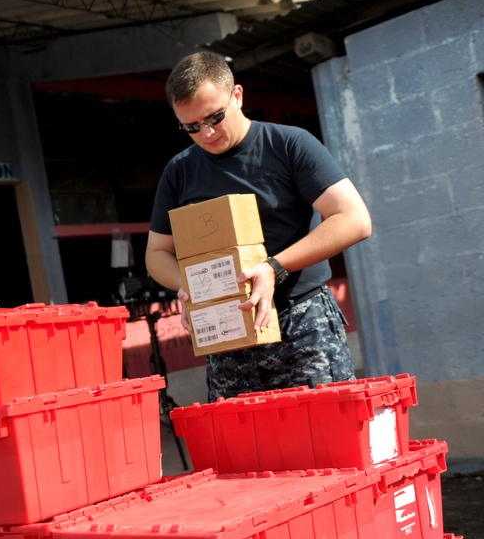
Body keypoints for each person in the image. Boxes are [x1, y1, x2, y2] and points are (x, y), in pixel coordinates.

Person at [145, 51, 372, 402]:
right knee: (244, 447)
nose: (205, 133)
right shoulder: (179, 171)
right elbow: (158, 253)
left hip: (301, 321)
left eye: (214, 117)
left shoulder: (288, 145)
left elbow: (353, 219)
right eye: (190, 126)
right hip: (229, 331)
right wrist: (189, 288)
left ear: (237, 95)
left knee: (326, 443)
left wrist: (274, 267)